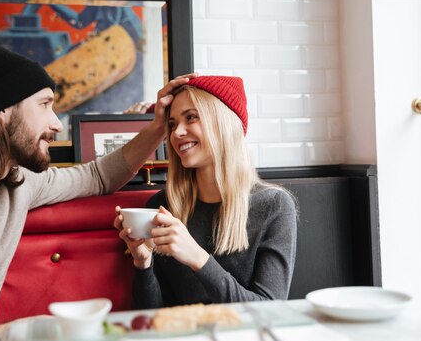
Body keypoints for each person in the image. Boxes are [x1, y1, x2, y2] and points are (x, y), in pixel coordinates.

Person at [0, 37, 196, 328]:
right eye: (45, 104)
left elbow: (98, 176)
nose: (57, 123)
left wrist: (159, 128)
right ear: (2, 110)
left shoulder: (18, 181)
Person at [114, 76, 298, 309]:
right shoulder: (162, 206)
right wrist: (143, 262)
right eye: (172, 124)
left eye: (191, 117)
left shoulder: (273, 205)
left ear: (223, 124)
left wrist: (198, 258)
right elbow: (152, 319)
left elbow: (270, 311)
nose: (177, 133)